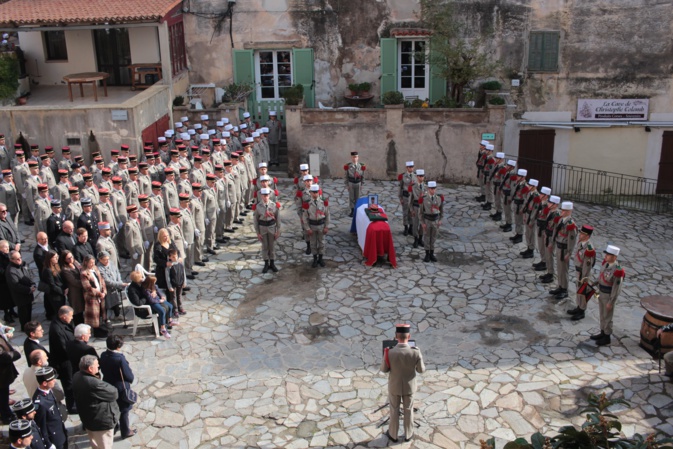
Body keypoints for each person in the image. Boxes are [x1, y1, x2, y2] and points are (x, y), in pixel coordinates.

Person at [380, 324, 425, 443]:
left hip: (394, 386)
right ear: (409, 336)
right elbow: (421, 370)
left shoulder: (389, 352)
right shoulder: (415, 352)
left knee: (394, 410)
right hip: (409, 386)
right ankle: (408, 434)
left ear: (396, 336)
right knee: (408, 410)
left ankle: (393, 435)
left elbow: (384, 369)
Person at [72, 355, 120, 449]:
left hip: (88, 419)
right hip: (100, 423)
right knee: (104, 446)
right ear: (90, 368)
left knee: (95, 444)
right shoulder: (93, 383)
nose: (98, 367)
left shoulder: (76, 375)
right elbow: (114, 393)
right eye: (96, 365)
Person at [99, 335, 137, 439]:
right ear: (118, 347)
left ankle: (115, 427)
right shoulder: (119, 358)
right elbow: (128, 375)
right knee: (124, 410)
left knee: (112, 408)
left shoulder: (103, 355)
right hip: (120, 387)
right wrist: (131, 378)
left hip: (108, 383)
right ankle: (125, 431)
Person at [591, 245, 625, 346]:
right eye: (606, 254)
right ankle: (602, 332)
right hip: (601, 293)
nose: (606, 256)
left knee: (608, 316)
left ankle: (607, 336)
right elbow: (601, 276)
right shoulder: (605, 264)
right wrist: (595, 283)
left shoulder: (617, 270)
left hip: (608, 295)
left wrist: (611, 301)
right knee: (602, 314)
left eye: (609, 255)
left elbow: (616, 288)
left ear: (615, 257)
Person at [126, 272, 172, 338]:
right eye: (141, 277)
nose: (143, 278)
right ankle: (161, 329)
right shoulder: (132, 289)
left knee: (167, 306)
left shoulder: (140, 284)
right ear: (137, 279)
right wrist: (147, 296)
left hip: (149, 302)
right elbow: (138, 303)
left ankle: (165, 324)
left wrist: (153, 291)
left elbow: (151, 286)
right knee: (163, 309)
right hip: (142, 309)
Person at [47, 306, 76, 414]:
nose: (72, 318)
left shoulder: (62, 323)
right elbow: (63, 348)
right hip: (63, 361)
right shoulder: (57, 329)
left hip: (66, 359)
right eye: (70, 316)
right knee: (68, 383)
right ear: (64, 316)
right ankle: (71, 406)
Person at [32, 366, 67, 449]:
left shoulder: (49, 391)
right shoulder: (40, 402)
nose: (54, 381)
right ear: (44, 383)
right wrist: (48, 444)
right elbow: (41, 425)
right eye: (52, 380)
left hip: (60, 433)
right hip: (54, 439)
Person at [549, 201, 578, 300]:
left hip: (564, 249)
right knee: (559, 268)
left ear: (569, 212)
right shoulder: (561, 220)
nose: (562, 212)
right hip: (558, 246)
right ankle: (560, 286)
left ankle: (564, 289)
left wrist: (569, 253)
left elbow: (572, 240)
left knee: (564, 270)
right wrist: (552, 242)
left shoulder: (570, 224)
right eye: (562, 210)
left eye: (565, 210)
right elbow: (555, 232)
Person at [567, 225, 597, 321]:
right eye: (580, 233)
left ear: (587, 236)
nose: (580, 234)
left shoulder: (589, 249)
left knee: (582, 292)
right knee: (578, 291)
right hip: (578, 271)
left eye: (582, 233)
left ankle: (582, 310)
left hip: (583, 273)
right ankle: (579, 307)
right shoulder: (581, 243)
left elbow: (587, 266)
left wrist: (584, 278)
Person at [6, 250, 35, 331]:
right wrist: (29, 289)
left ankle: (29, 325)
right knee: (23, 313)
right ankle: (25, 327)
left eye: (20, 258)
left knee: (29, 310)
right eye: (17, 259)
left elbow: (29, 275)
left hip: (27, 293)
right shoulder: (11, 271)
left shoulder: (22, 265)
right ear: (11, 260)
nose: (20, 260)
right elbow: (16, 285)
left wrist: (32, 284)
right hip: (20, 297)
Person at [253, 188, 281, 273]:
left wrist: (278, 230)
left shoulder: (273, 205)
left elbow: (278, 218)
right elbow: (255, 220)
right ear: (261, 196)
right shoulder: (258, 206)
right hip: (263, 228)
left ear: (269, 195)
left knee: (271, 246)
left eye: (267, 195)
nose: (265, 197)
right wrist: (258, 233)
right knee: (265, 246)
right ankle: (266, 263)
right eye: (264, 195)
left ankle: (272, 263)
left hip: (271, 227)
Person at [302, 184, 329, 268]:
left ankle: (320, 258)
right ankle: (314, 259)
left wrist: (326, 226)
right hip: (312, 226)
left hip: (321, 225)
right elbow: (305, 217)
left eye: (316, 192)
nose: (314, 194)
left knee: (322, 243)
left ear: (319, 192)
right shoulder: (307, 204)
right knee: (313, 243)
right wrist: (307, 228)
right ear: (310, 193)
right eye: (313, 192)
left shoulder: (323, 202)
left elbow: (327, 215)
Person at [80, 255, 108, 338]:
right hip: (92, 297)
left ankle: (100, 328)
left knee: (100, 312)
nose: (92, 264)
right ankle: (96, 331)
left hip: (100, 295)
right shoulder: (84, 273)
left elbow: (101, 280)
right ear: (86, 262)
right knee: (94, 315)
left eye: (93, 262)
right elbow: (88, 287)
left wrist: (104, 290)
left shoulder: (95, 268)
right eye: (90, 263)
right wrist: (99, 293)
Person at [97, 251, 126, 321]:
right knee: (107, 303)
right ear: (100, 260)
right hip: (107, 288)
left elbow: (117, 272)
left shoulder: (111, 263)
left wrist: (119, 281)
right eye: (105, 260)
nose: (107, 261)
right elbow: (107, 281)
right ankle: (106, 318)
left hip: (115, 286)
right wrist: (119, 284)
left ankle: (117, 314)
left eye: (108, 259)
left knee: (116, 301)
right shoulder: (99, 268)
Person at [419, 181, 444, 263]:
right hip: (427, 220)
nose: (433, 190)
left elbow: (441, 211)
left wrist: (440, 220)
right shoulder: (424, 199)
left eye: (434, 188)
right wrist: (422, 223)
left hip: (435, 220)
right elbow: (421, 212)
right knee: (426, 237)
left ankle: (432, 253)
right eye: (431, 189)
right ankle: (427, 254)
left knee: (433, 237)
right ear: (428, 189)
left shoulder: (439, 198)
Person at [0, 323, 20, 424]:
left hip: (3, 374)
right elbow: (3, 356)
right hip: (1, 375)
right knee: (2, 396)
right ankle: (6, 415)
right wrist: (15, 354)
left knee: (4, 393)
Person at [59, 250, 84, 325]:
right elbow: (73, 281)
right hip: (74, 292)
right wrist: (85, 283)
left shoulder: (75, 263)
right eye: (68, 258)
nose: (71, 259)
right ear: (64, 260)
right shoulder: (65, 270)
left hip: (80, 290)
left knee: (82, 309)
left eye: (71, 257)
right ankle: (78, 325)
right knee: (76, 309)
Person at [344, 151, 366, 217]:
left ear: (358, 158)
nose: (354, 158)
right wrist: (347, 185)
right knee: (351, 197)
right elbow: (346, 176)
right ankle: (352, 210)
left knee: (358, 197)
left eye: (356, 157)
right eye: (353, 157)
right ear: (351, 158)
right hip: (351, 183)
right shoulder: (348, 166)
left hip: (358, 183)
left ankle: (357, 210)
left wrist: (362, 184)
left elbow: (363, 176)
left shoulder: (361, 166)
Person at [165, 249, 186, 316]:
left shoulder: (180, 264)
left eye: (176, 256)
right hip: (173, 284)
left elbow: (183, 273)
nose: (175, 258)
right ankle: (175, 309)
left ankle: (180, 307)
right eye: (173, 257)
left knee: (179, 296)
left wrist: (184, 282)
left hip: (180, 282)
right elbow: (167, 277)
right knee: (173, 297)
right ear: (170, 257)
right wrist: (169, 286)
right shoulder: (169, 266)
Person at [0, 239, 17, 323]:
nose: (7, 249)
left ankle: (12, 311)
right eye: (5, 247)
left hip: (8, 281)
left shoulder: (8, 255)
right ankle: (7, 314)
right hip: (3, 282)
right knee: (5, 300)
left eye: (7, 247)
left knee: (11, 298)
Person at [398, 161, 415, 236]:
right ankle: (406, 227)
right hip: (405, 196)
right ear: (407, 168)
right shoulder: (403, 176)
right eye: (409, 167)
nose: (411, 168)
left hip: (413, 197)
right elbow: (400, 187)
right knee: (405, 212)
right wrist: (400, 197)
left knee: (412, 212)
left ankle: (411, 227)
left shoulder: (415, 176)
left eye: (412, 167)